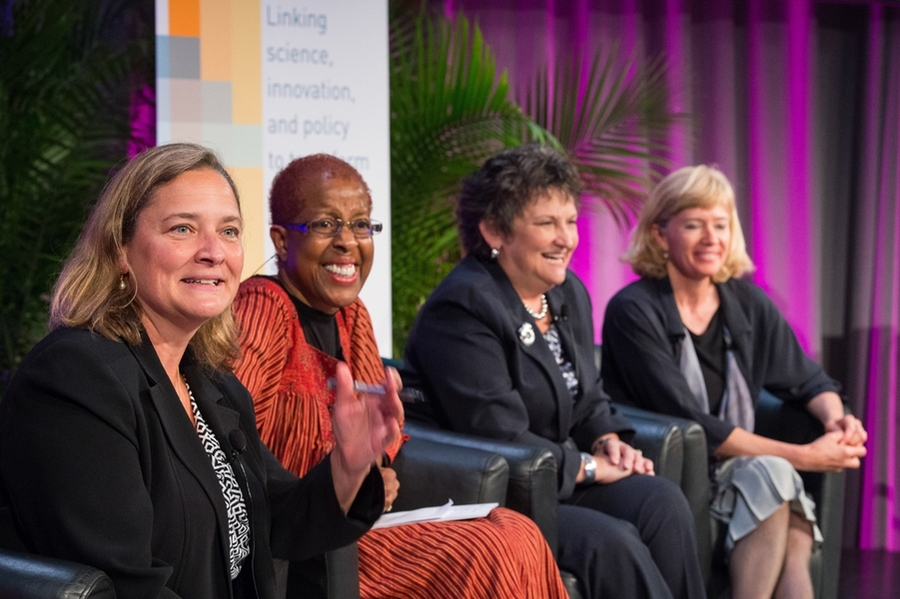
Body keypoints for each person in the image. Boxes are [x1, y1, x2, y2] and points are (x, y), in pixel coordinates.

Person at [0, 143, 402, 599]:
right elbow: (125, 585)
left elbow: (281, 522)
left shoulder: (214, 384)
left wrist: (348, 467)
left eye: (229, 231)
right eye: (183, 229)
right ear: (120, 251)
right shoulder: (75, 378)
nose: (214, 252)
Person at [233, 153, 568, 599]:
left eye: (360, 225)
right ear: (280, 239)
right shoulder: (262, 306)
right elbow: (230, 434)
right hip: (305, 539)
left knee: (514, 530)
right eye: (325, 224)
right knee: (495, 548)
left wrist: (379, 466)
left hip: (359, 527)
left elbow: (385, 425)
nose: (347, 241)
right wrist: (343, 478)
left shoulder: (353, 315)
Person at [401, 143, 706, 599]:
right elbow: (497, 433)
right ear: (494, 231)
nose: (567, 238)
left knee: (662, 501)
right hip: (506, 493)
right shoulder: (463, 307)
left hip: (560, 476)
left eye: (570, 221)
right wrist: (589, 466)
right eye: (547, 223)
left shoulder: (567, 294)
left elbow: (588, 395)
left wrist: (608, 440)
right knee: (613, 544)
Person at [600, 165, 867, 599]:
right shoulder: (634, 311)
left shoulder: (747, 302)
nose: (711, 238)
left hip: (743, 467)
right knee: (781, 491)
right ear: (659, 232)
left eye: (720, 225)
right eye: (693, 224)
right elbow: (690, 423)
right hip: (671, 472)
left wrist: (838, 423)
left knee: (784, 509)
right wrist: (804, 456)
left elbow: (808, 380)